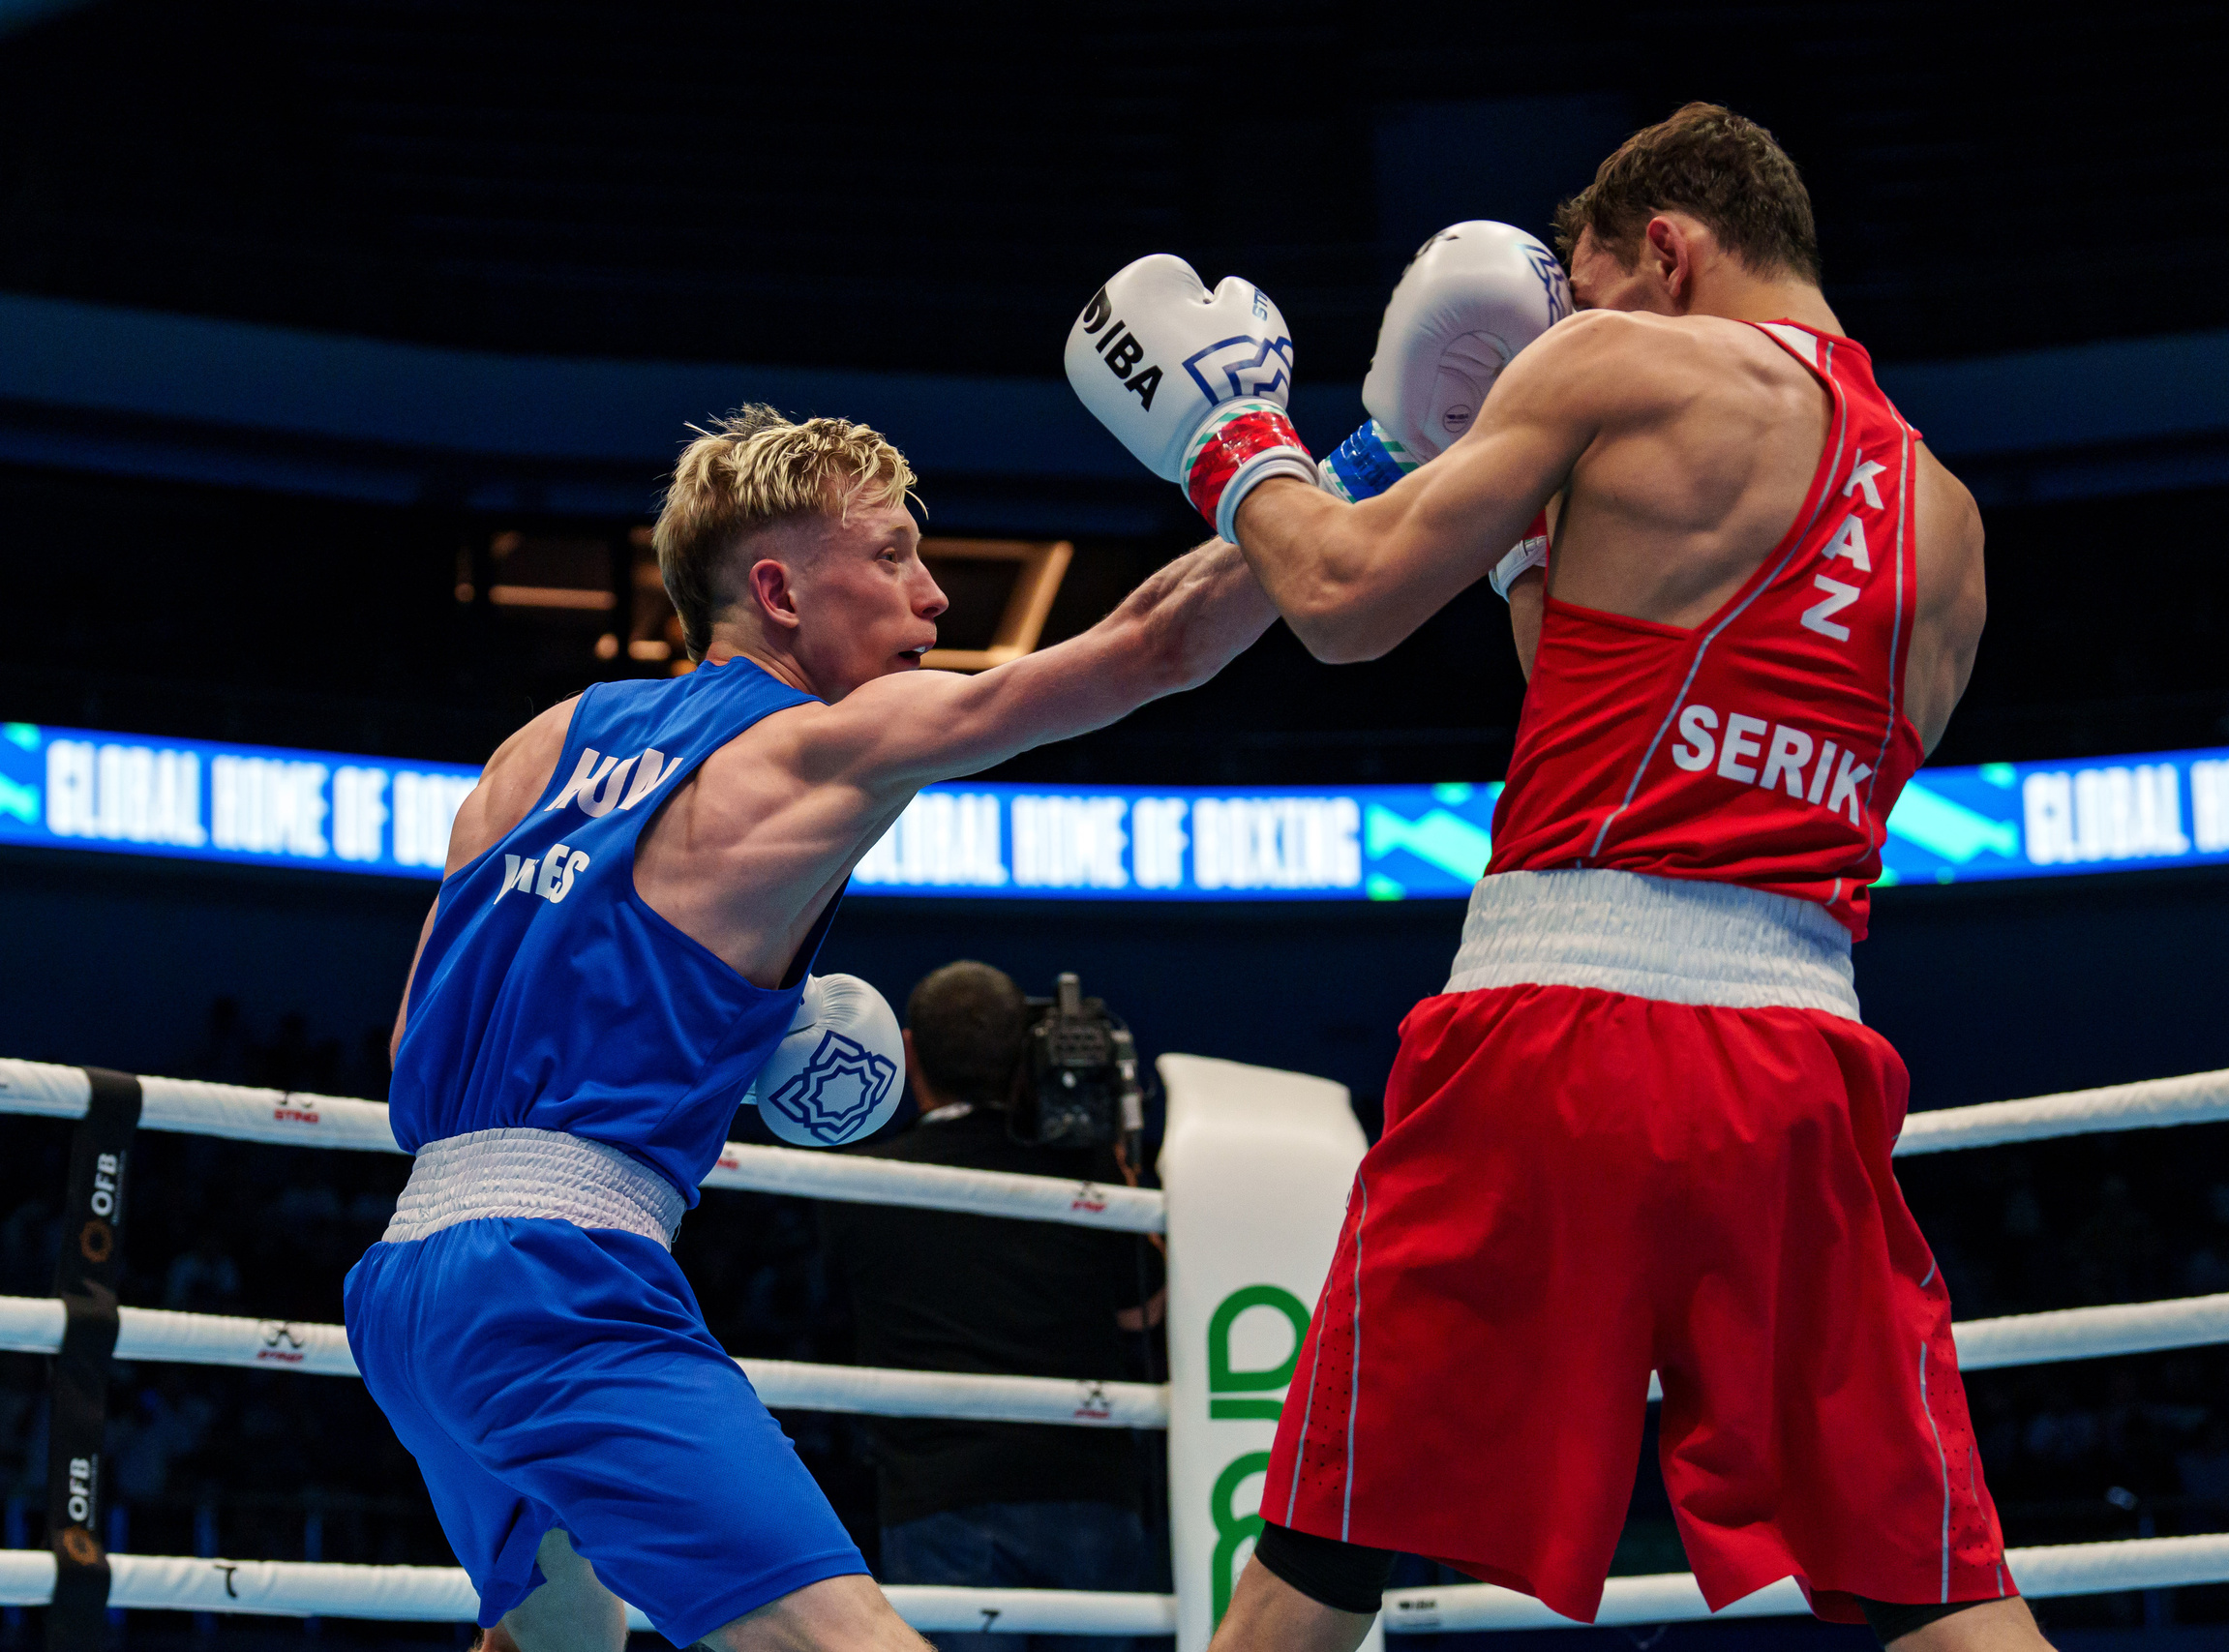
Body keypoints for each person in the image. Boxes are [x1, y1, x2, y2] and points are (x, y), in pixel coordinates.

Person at [1068, 105, 2041, 1652]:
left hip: (1556, 1045)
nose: (1560, 331)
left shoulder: (1625, 367)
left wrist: (1231, 437)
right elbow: (1625, 718)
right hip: (1802, 1074)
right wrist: (1529, 541)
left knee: (1317, 1560)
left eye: (1581, 295)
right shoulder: (1953, 524)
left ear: (1668, 250)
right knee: (1940, 1589)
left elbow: (1338, 600)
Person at [344, 406, 1275, 1652]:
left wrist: (720, 1031)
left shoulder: (536, 746)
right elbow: (1153, 644)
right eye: (892, 556)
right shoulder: (813, 750)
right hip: (557, 1283)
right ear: (778, 589)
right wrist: (1321, 471)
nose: (934, 597)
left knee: (554, 1640)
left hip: (407, 1288)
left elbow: (417, 1046)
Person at [822, 961, 1161, 1652]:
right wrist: (1123, 1168)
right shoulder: (1086, 1176)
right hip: (1085, 1490)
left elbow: (827, 1329)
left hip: (940, 1497)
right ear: (1024, 1056)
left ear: (909, 1052)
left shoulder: (860, 1185)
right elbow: (1145, 1311)